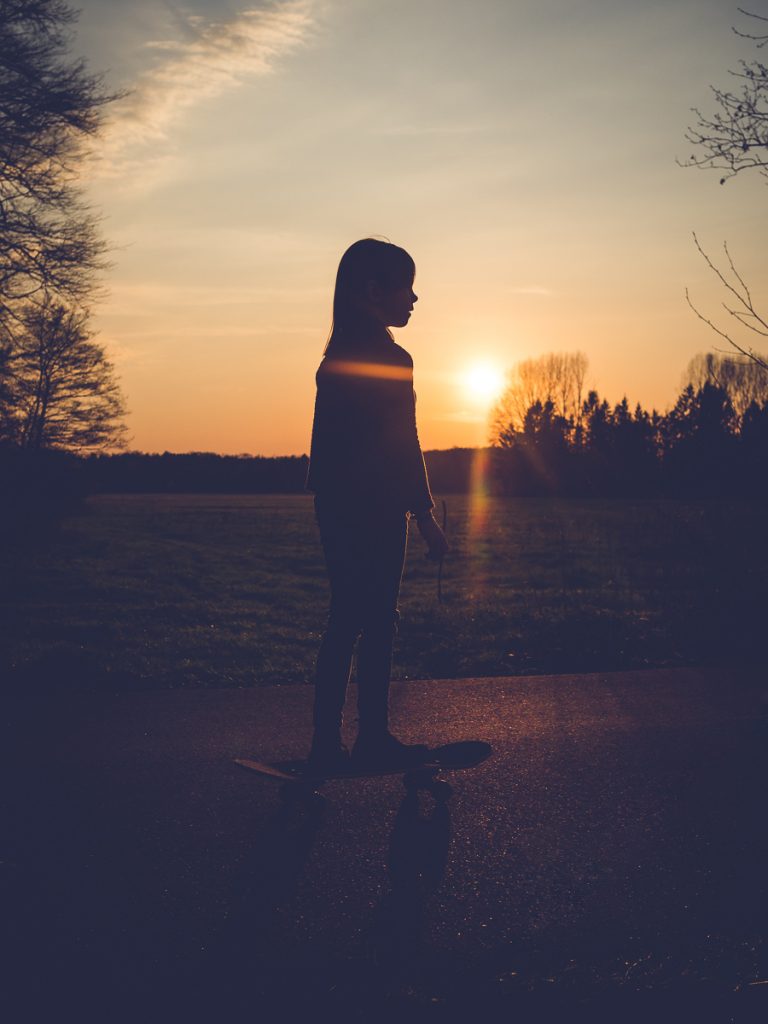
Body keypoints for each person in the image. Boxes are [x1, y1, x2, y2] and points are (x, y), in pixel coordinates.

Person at [306, 238, 449, 771]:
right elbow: (401, 442)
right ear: (374, 292)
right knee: (378, 621)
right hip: (377, 509)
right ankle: (371, 738)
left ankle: (325, 743)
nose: (414, 298)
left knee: (345, 619)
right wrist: (425, 516)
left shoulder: (334, 357)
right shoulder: (391, 359)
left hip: (337, 505)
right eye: (406, 287)